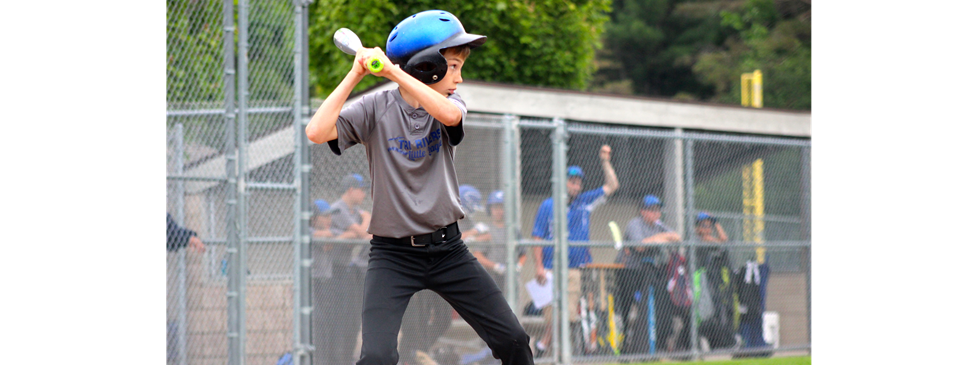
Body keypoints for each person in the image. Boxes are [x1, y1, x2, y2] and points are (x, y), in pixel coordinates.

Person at [304, 9, 533, 365]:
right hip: (392, 255)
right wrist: (356, 73)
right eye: (453, 66)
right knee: (377, 355)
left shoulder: (450, 105)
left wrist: (394, 71)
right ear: (425, 66)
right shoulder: (375, 107)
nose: (459, 76)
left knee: (514, 340)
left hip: (448, 250)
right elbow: (316, 131)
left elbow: (451, 117)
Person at [529, 145, 619, 356]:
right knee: (553, 317)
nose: (576, 186)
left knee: (568, 317)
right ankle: (544, 348)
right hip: (550, 270)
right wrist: (539, 266)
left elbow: (612, 185)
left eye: (578, 182)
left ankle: (549, 351)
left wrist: (605, 161)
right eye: (572, 181)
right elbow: (537, 237)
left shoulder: (584, 202)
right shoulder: (548, 205)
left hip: (574, 269)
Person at [312, 175, 374, 365]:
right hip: (332, 272)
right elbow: (364, 234)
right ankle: (330, 359)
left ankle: (343, 357)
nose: (364, 193)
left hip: (344, 270)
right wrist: (367, 220)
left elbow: (366, 236)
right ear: (350, 190)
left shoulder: (355, 212)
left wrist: (354, 233)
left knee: (349, 318)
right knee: (327, 321)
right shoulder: (339, 209)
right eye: (361, 189)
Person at [612, 195, 680, 355]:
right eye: (652, 209)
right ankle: (623, 348)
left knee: (656, 306)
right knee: (626, 308)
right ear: (643, 211)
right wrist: (660, 238)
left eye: (658, 209)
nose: (656, 213)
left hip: (647, 272)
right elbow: (640, 247)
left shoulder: (659, 225)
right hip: (628, 271)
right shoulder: (634, 224)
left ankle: (651, 345)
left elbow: (676, 237)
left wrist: (655, 238)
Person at [691, 211, 737, 351]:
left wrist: (715, 223)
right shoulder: (697, 240)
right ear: (697, 228)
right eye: (704, 226)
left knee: (716, 313)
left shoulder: (711, 239)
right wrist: (713, 236)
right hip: (698, 283)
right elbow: (720, 241)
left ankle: (720, 343)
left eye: (709, 226)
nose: (707, 229)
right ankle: (697, 340)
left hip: (710, 284)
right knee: (704, 314)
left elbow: (724, 239)